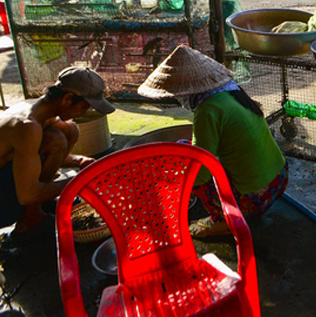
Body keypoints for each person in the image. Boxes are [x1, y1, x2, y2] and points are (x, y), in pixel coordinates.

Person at [138, 45, 288, 238]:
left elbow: (200, 174)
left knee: (186, 162)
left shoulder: (207, 110)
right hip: (279, 180)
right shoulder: (232, 91)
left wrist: (167, 182)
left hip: (255, 199)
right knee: (185, 146)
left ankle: (221, 221)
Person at [0, 67, 115, 243]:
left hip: (9, 180)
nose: (85, 112)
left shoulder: (41, 109)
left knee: (68, 130)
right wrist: (80, 180)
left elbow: (31, 158)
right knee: (57, 138)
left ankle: (38, 208)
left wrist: (80, 161)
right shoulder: (27, 126)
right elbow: (27, 195)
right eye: (85, 107)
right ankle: (28, 221)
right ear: (68, 98)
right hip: (3, 208)